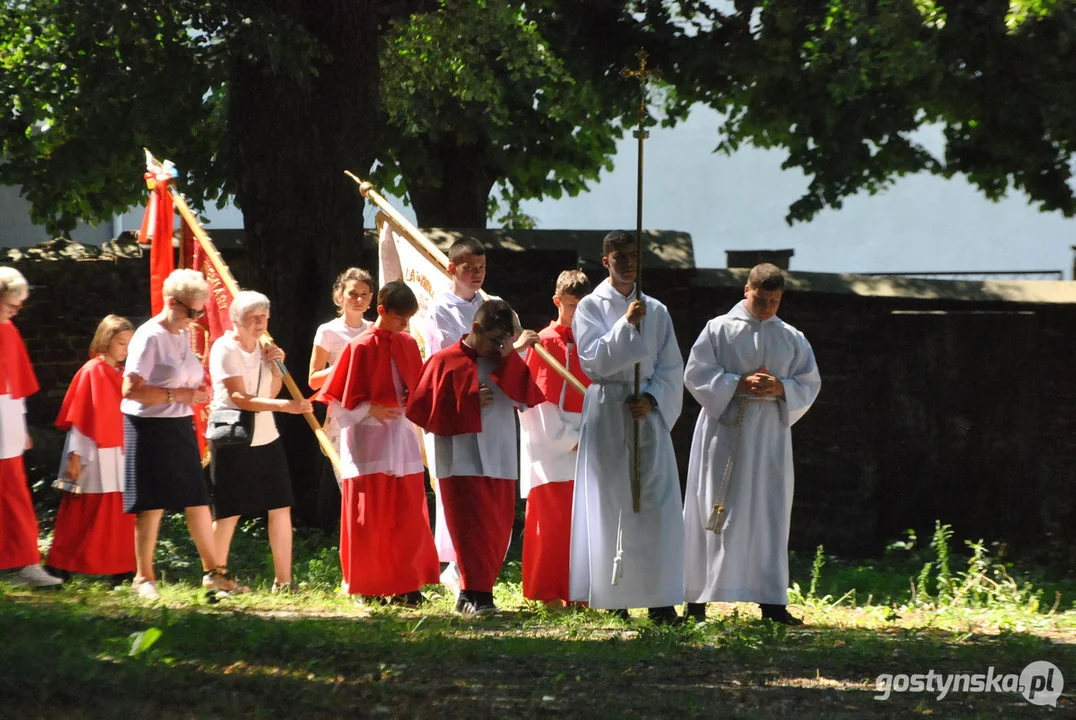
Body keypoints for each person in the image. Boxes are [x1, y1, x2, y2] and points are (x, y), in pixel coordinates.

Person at [682, 263, 821, 625]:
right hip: (725, 430)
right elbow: (696, 374)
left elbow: (809, 382)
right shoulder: (718, 329)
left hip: (769, 435)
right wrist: (736, 384)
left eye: (774, 301)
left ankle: (771, 602)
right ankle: (697, 600)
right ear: (747, 290)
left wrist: (782, 388)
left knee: (768, 509)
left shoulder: (791, 337)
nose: (767, 308)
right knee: (713, 506)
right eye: (761, 299)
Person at [569, 231, 685, 624]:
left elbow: (671, 367)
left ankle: (659, 597)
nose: (628, 263)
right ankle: (614, 593)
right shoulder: (589, 307)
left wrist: (652, 398)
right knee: (611, 501)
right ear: (606, 261)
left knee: (655, 503)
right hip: (609, 408)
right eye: (620, 256)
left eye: (634, 256)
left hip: (645, 414)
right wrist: (625, 324)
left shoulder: (659, 309)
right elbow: (593, 363)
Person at [406, 299, 543, 615]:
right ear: (476, 327)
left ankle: (475, 593)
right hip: (460, 458)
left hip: (499, 453)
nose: (496, 346)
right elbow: (422, 411)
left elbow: (526, 396)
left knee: (497, 526)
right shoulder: (444, 360)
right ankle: (476, 596)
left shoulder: (503, 359)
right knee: (470, 528)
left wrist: (509, 356)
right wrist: (467, 399)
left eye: (502, 340)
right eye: (493, 339)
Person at [122, 268, 242, 601]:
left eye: (201, 312)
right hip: (146, 426)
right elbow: (131, 389)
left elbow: (182, 379)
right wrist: (178, 396)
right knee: (151, 503)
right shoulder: (149, 336)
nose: (196, 318)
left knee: (196, 498)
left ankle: (213, 574)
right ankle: (143, 578)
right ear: (172, 303)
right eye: (192, 311)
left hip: (178, 424)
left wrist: (194, 393)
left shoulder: (180, 333)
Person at [424, 238, 536, 593]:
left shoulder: (498, 308)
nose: (476, 274)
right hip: (462, 411)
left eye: (481, 268)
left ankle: (481, 577)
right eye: (469, 267)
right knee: (465, 502)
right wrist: (472, 388)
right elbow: (448, 359)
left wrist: (514, 353)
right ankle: (462, 574)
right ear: (451, 269)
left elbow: (507, 357)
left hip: (497, 415)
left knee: (495, 504)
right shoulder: (438, 309)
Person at [318, 281, 439, 605]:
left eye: (408, 320)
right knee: (367, 515)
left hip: (401, 439)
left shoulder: (407, 343)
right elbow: (338, 401)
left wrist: (410, 398)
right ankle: (367, 586)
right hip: (367, 441)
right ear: (382, 311)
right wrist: (370, 407)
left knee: (407, 514)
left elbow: (418, 388)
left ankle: (407, 585)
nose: (405, 326)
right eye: (400, 319)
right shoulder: (359, 347)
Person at [208, 291, 311, 594]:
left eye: (263, 317)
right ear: (236, 320)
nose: (258, 323)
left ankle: (284, 580)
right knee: (229, 510)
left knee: (280, 506)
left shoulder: (267, 348)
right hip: (233, 436)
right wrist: (285, 407)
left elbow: (274, 388)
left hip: (266, 435)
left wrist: (277, 364)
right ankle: (215, 575)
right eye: (252, 318)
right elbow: (239, 397)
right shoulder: (225, 348)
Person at [518, 270, 593, 604]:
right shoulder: (546, 341)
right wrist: (566, 437)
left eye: (582, 306)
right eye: (571, 305)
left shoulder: (593, 342)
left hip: (589, 435)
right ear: (557, 302)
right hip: (555, 438)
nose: (576, 313)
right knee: (553, 520)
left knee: (583, 521)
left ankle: (580, 592)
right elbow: (540, 399)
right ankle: (547, 591)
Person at [46, 315, 137, 583]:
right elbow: (81, 419)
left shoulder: (120, 374)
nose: (126, 350)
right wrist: (75, 458)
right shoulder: (91, 371)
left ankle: (121, 567)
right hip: (92, 454)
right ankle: (60, 564)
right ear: (106, 340)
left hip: (118, 451)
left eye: (129, 344)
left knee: (119, 513)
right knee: (82, 513)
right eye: (121, 343)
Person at [0, 267, 63, 588]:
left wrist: (20, 425)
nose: (17, 309)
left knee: (14, 494)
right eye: (12, 303)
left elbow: (16, 383)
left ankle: (24, 561)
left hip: (6, 422)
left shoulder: (9, 330)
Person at [307, 268, 374, 529]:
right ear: (340, 296)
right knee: (350, 487)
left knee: (373, 488)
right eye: (353, 294)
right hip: (342, 418)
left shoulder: (374, 329)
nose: (358, 300)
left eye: (364, 295)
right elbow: (313, 379)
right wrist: (347, 362)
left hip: (373, 414)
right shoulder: (328, 331)